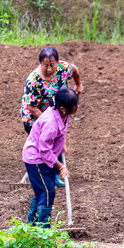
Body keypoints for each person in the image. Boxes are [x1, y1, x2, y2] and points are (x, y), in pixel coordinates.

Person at [20, 47, 83, 187]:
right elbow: (32, 107)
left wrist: (78, 84)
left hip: (57, 112)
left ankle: (54, 173)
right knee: (45, 145)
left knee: (56, 143)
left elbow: (75, 70)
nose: (49, 69)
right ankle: (42, 173)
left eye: (52, 65)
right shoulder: (34, 80)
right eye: (45, 65)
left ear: (57, 62)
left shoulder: (63, 68)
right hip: (35, 117)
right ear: (40, 63)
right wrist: (50, 124)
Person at [23, 87, 78, 227]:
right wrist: (61, 166)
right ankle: (42, 230)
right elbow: (44, 149)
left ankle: (32, 226)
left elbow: (60, 133)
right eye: (74, 106)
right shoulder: (51, 123)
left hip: (45, 157)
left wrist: (62, 143)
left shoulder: (63, 114)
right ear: (63, 108)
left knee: (43, 192)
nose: (77, 108)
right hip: (36, 159)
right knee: (47, 192)